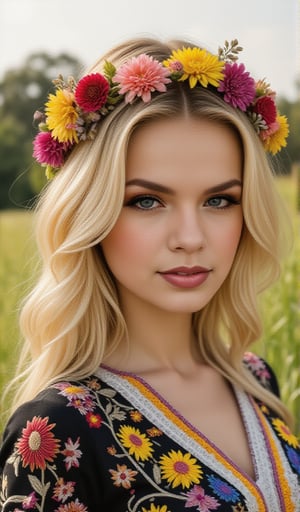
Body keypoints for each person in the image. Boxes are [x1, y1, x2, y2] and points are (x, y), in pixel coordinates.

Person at [0, 36, 299, 512]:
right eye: (146, 201)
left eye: (219, 200)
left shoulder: (254, 378)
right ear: (89, 214)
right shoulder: (57, 431)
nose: (190, 236)